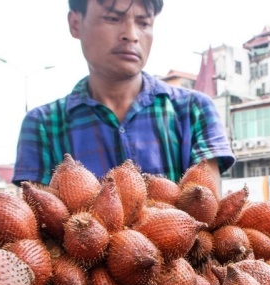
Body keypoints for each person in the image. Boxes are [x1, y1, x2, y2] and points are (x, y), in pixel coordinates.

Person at [12, 0, 235, 190]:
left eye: (143, 23)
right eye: (112, 18)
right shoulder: (42, 124)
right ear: (75, 23)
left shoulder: (195, 110)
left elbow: (208, 213)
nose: (131, 35)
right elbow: (38, 225)